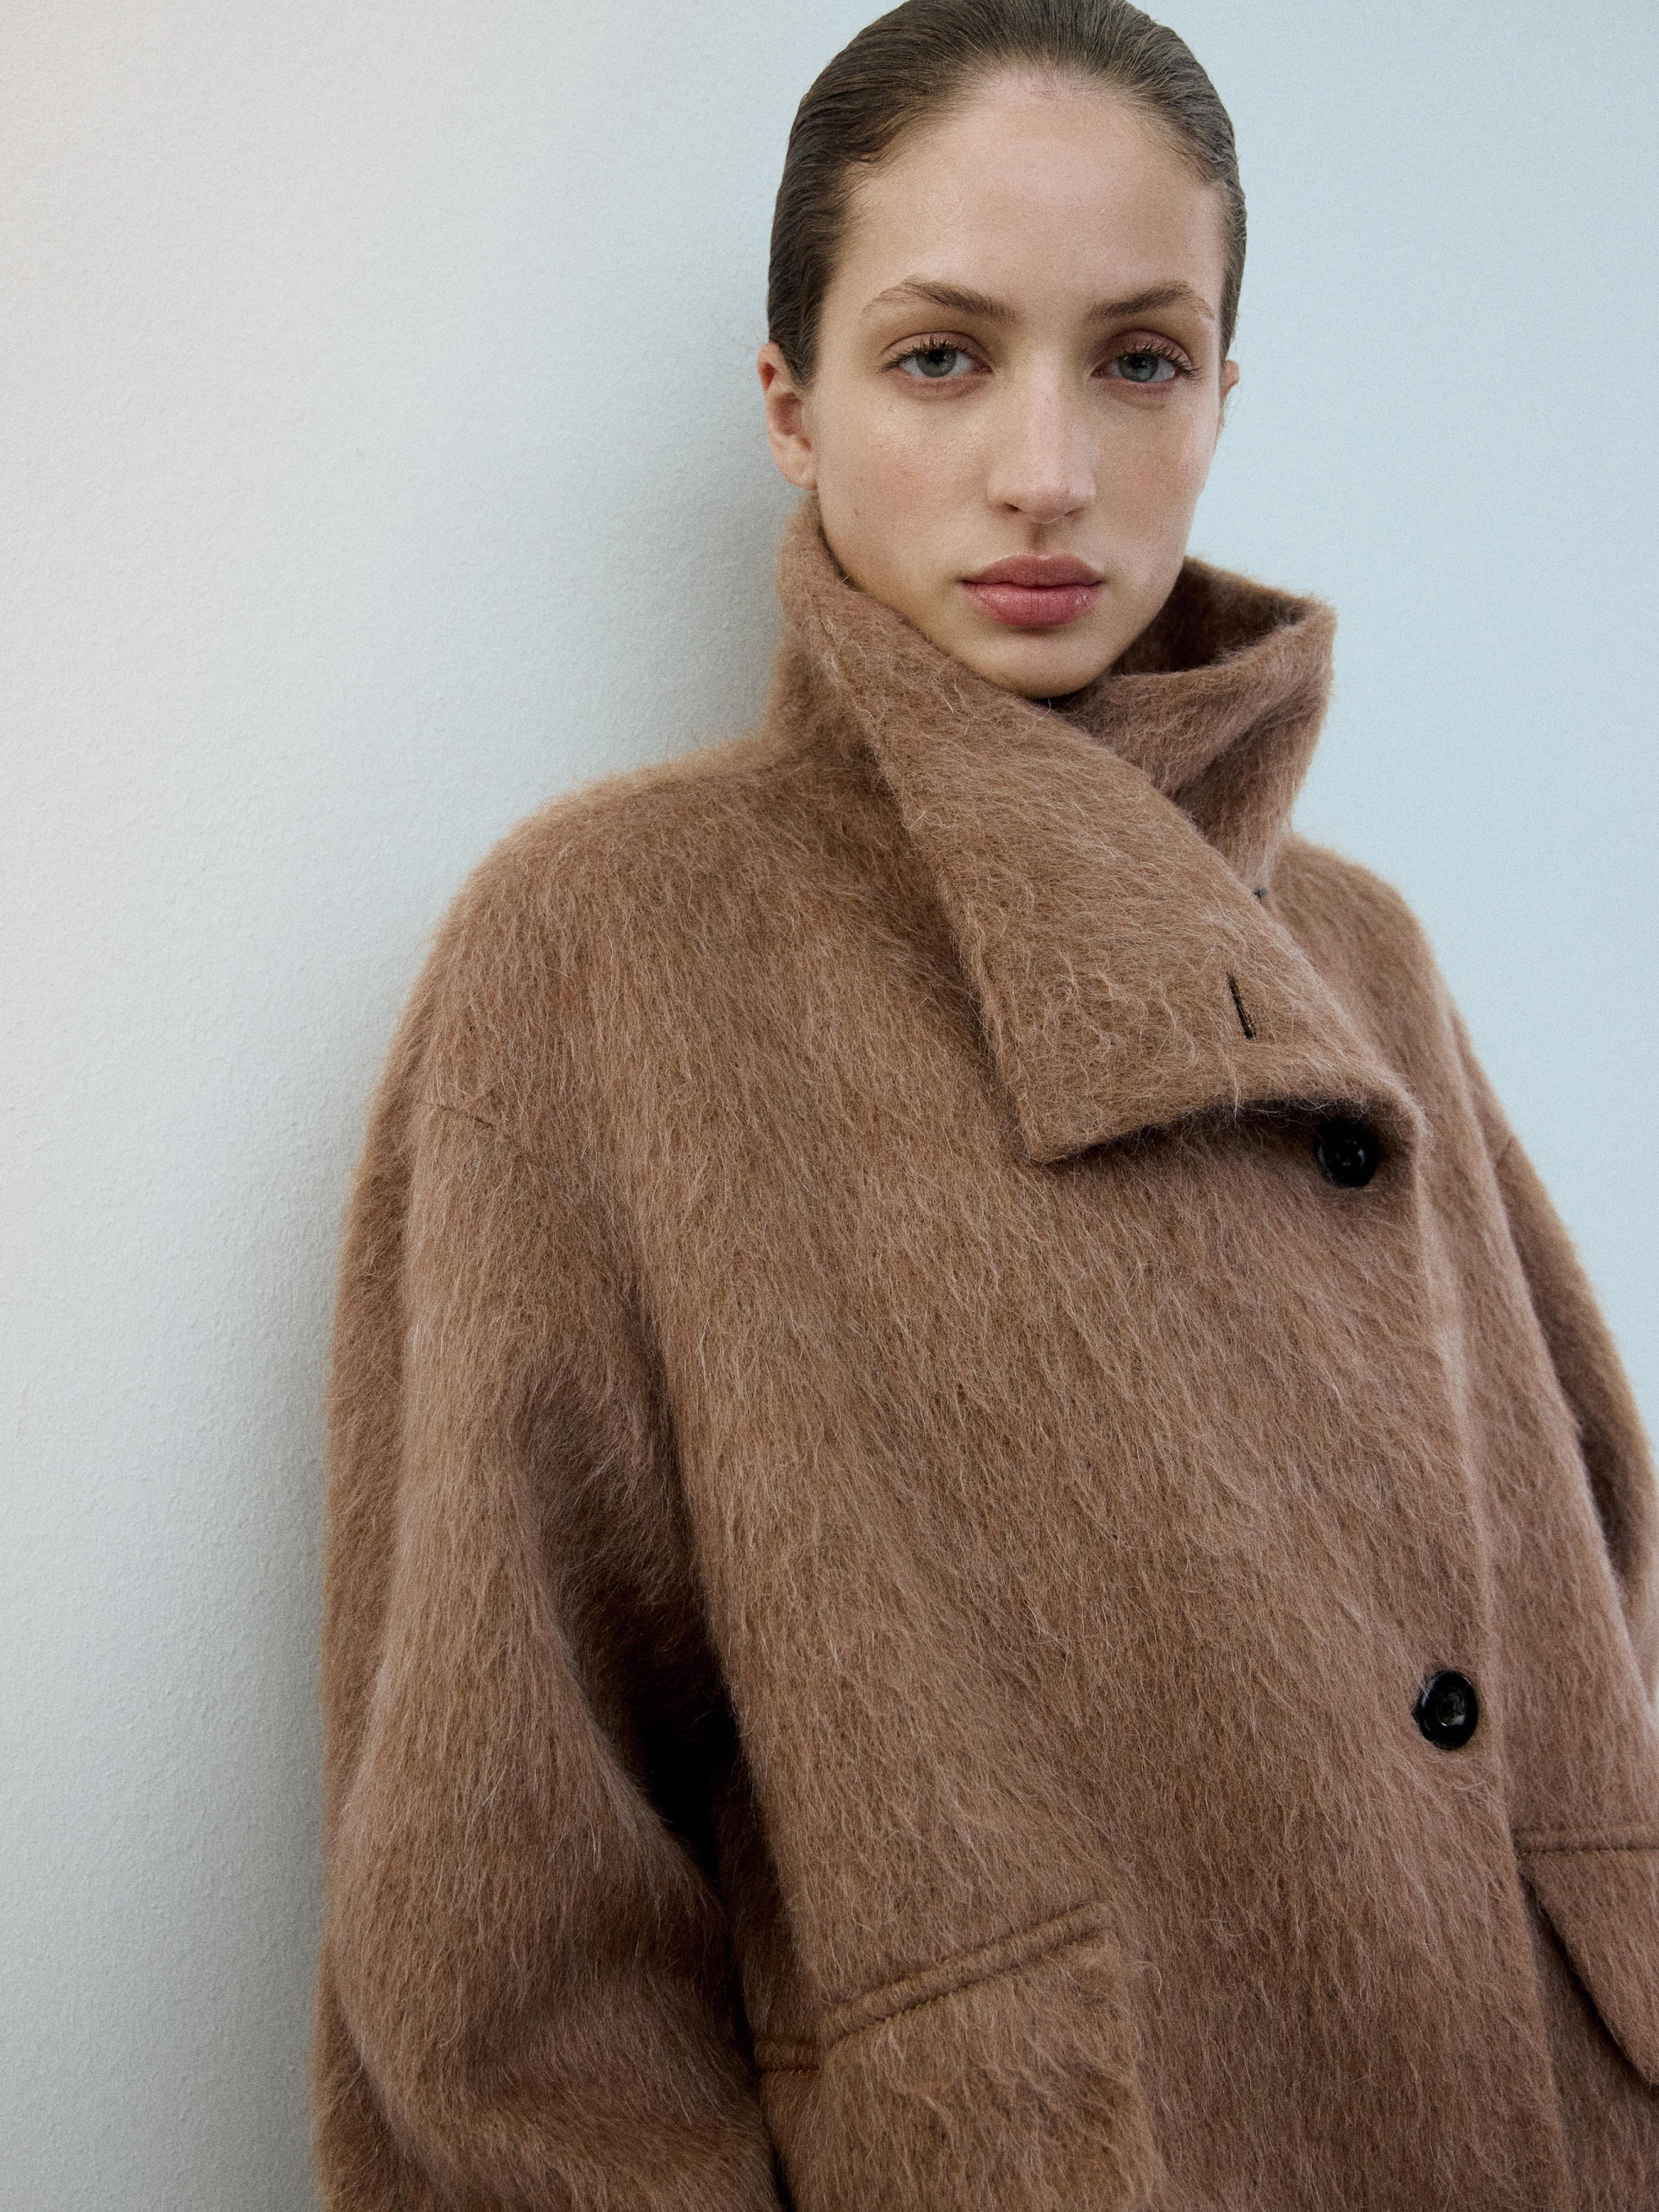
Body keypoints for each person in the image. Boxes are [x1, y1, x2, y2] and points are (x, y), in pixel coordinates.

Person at [310, 3, 1659, 2207]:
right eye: (941, 357)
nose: (1047, 468)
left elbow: (1583, 1573)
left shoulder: (1357, 942)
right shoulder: (612, 943)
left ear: (1222, 394)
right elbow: (505, 1879)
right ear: (791, 404)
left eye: (1138, 361)